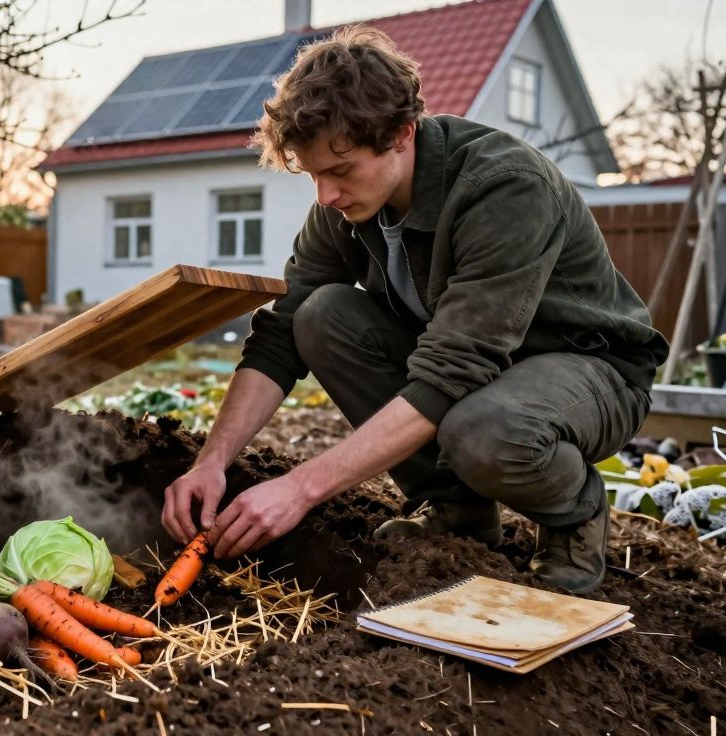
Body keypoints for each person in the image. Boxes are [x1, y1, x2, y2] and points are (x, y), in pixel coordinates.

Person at [160, 25, 668, 594]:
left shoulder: (504, 188)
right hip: (479, 372)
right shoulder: (344, 208)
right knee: (320, 314)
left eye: (340, 170)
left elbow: (451, 372)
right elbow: (280, 334)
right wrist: (212, 461)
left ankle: (575, 513)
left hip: (589, 370)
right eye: (313, 174)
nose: (325, 195)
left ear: (401, 135)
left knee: (486, 430)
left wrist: (300, 489)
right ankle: (458, 510)